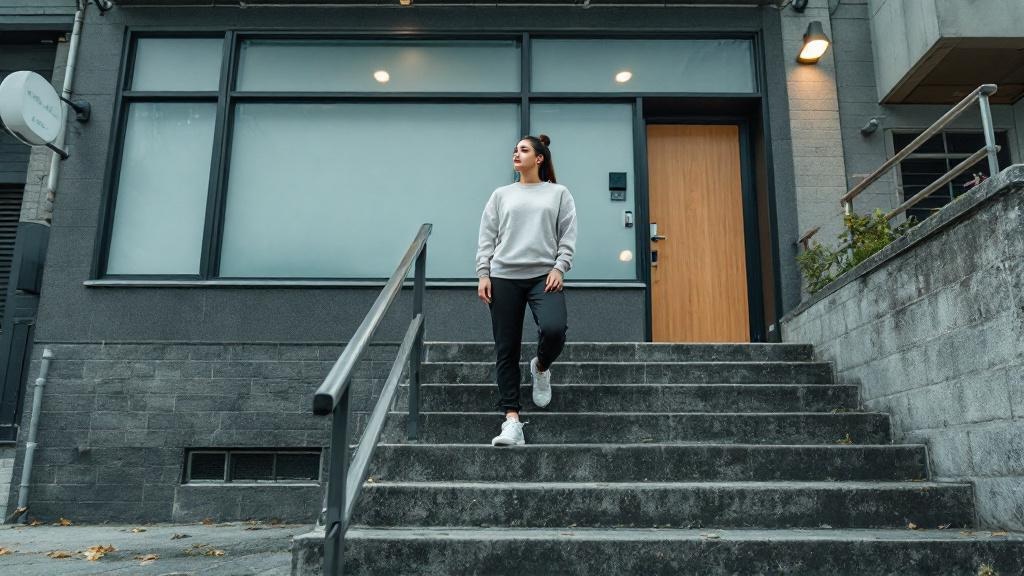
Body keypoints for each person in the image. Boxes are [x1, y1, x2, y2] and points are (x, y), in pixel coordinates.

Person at [475, 134, 578, 447]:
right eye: (514, 150)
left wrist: (560, 266)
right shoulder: (501, 194)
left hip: (543, 276)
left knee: (554, 329)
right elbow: (487, 236)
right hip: (503, 275)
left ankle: (541, 367)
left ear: (539, 158)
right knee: (506, 347)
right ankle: (511, 421)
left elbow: (568, 233)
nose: (516, 154)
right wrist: (483, 272)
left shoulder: (558, 193)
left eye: (523, 150)